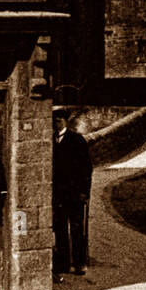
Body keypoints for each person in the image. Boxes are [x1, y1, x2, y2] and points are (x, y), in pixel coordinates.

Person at [52, 109, 93, 280]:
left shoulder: (77, 140)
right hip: (58, 195)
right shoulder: (51, 141)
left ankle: (79, 263)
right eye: (55, 120)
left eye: (60, 120)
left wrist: (84, 192)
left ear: (66, 122)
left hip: (75, 194)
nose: (57, 123)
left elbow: (87, 168)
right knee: (60, 229)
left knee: (77, 229)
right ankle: (63, 263)